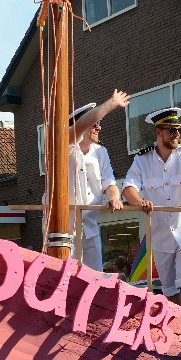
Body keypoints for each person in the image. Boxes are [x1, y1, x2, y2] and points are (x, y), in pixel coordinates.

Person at [123, 107, 181, 307]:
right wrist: (140, 202)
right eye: (171, 130)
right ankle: (173, 328)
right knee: (169, 289)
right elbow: (128, 188)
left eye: (179, 130)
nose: (177, 134)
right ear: (158, 132)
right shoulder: (142, 160)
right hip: (161, 235)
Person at [68, 96, 126, 271]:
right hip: (64, 230)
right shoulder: (65, 145)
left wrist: (114, 198)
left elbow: (109, 182)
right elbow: (77, 129)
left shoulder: (101, 151)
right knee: (66, 279)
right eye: (94, 123)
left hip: (89, 227)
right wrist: (112, 103)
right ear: (82, 126)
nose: (99, 127)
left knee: (94, 278)